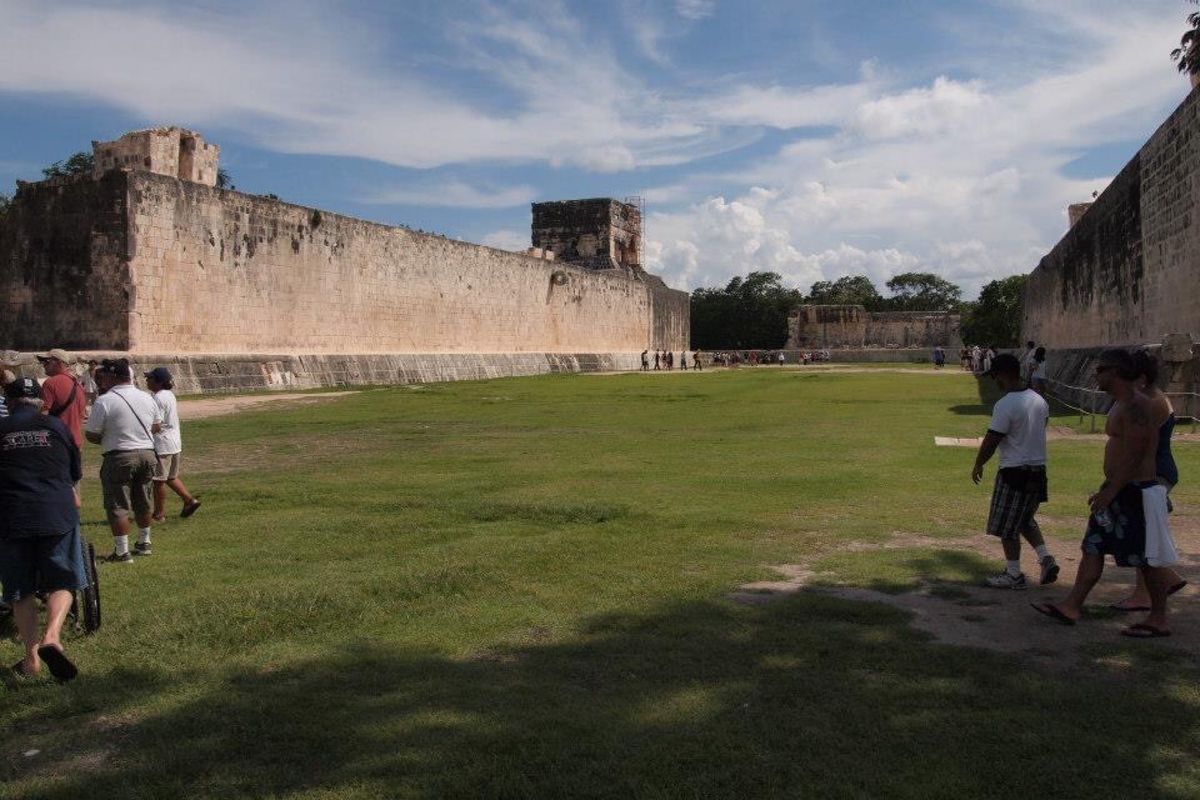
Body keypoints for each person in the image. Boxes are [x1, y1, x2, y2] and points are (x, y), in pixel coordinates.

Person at [1032, 349, 1179, 637]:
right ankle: (1072, 605)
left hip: (1134, 492)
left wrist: (1111, 491)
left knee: (1147, 559)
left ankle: (1159, 618)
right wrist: (1108, 489)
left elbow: (1136, 456)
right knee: (1093, 548)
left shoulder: (1137, 406)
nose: (1095, 375)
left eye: (1100, 370)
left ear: (1115, 372)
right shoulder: (1125, 404)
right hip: (1119, 490)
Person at [0, 377, 85, 681]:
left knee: (19, 590)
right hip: (56, 511)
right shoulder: (57, 428)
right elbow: (74, 470)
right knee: (62, 581)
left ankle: (31, 657)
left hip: (13, 514)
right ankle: (53, 637)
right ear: (39, 401)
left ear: (8, 402)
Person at [972, 353, 1059, 589]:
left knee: (1007, 525)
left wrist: (979, 463)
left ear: (1003, 375)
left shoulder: (1006, 404)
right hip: (1038, 468)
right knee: (1024, 519)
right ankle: (1045, 557)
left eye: (995, 377)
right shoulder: (1039, 401)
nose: (994, 382)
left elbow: (992, 438)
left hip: (1014, 470)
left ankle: (1014, 574)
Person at [1111, 350, 1187, 613]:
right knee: (1144, 533)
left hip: (1153, 473)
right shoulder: (1153, 398)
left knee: (1143, 535)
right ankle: (1165, 581)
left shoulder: (1150, 403)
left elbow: (1138, 444)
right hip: (1154, 471)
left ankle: (1146, 593)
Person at [84, 359, 162, 562]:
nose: (102, 380)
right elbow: (156, 426)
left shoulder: (105, 400)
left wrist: (111, 436)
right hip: (147, 452)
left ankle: (122, 550)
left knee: (118, 503)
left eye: (104, 376)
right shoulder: (147, 398)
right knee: (143, 500)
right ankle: (145, 542)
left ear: (113, 377)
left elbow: (91, 433)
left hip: (119, 455)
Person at [146, 367, 201, 521]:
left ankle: (159, 514)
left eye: (150, 378)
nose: (147, 381)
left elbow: (157, 424)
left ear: (158, 382)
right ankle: (189, 500)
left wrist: (143, 433)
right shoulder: (168, 395)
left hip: (162, 444)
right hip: (174, 442)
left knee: (158, 481)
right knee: (171, 477)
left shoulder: (158, 398)